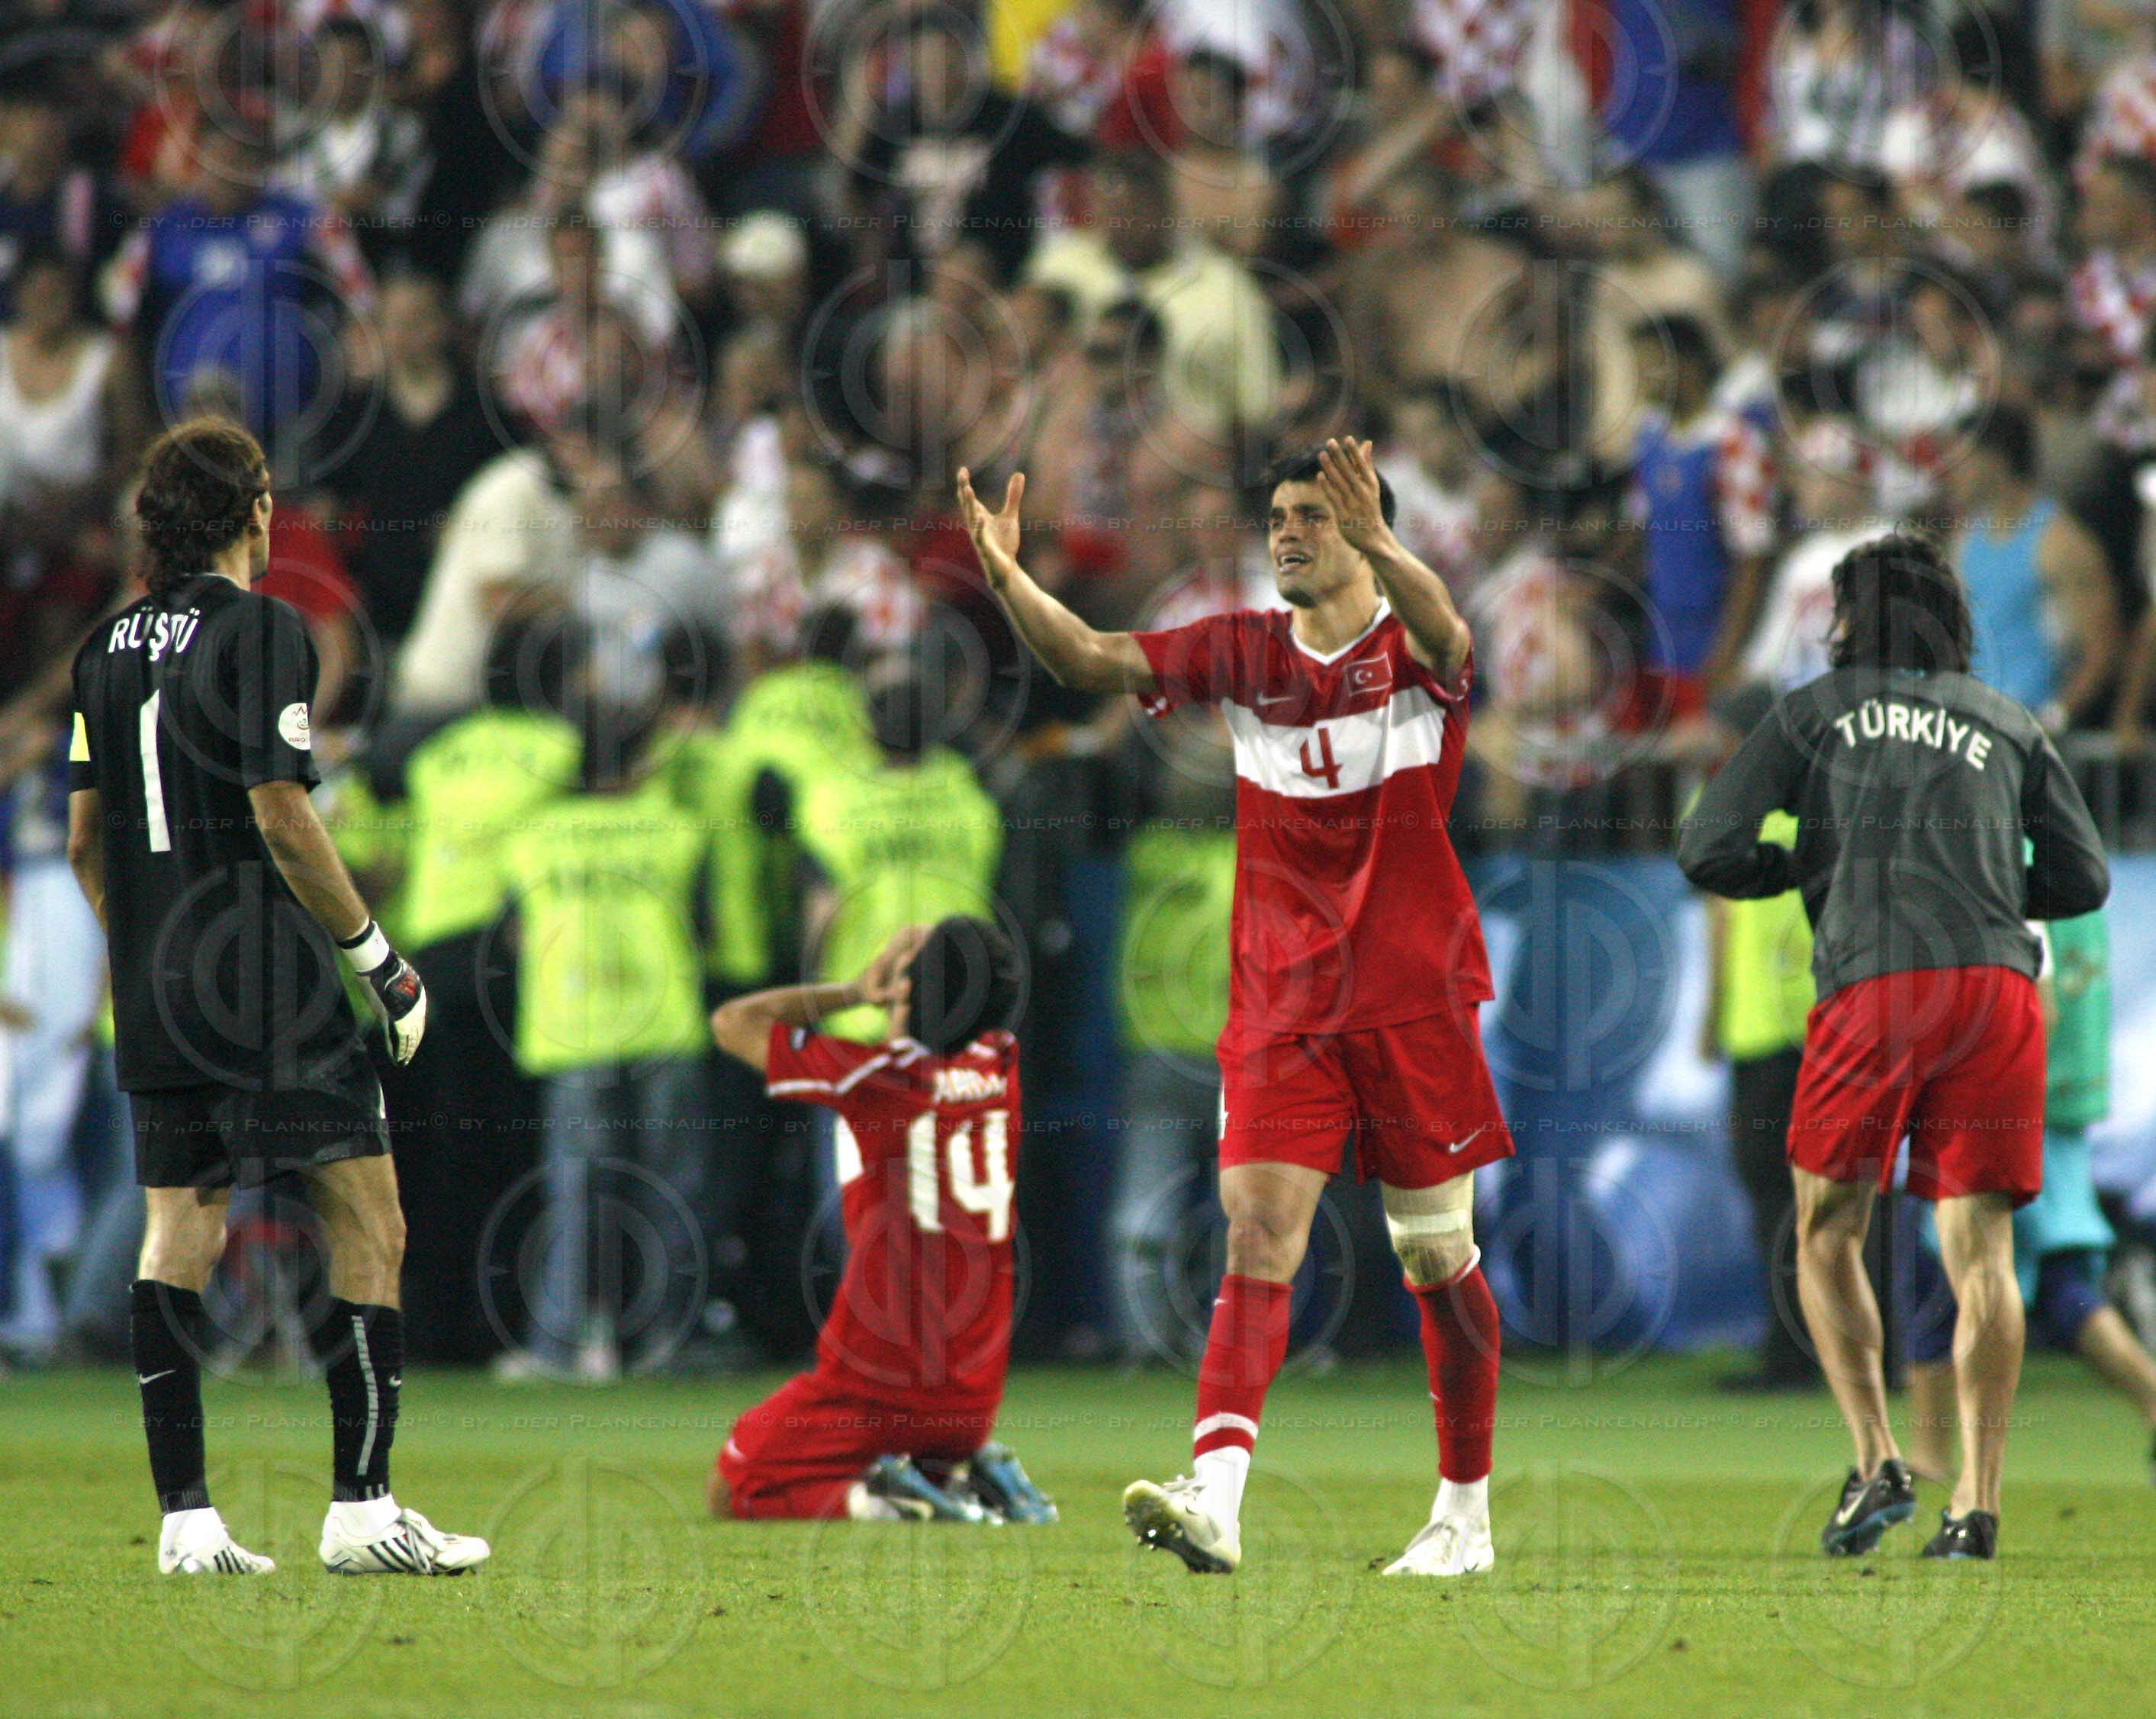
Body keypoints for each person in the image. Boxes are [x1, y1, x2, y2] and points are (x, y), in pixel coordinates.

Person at [957, 438, 1512, 1577]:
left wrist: (1383, 541)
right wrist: (1008, 579)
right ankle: (1214, 1493)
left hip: (1411, 1000)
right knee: (1256, 1233)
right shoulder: (1242, 652)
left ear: (1363, 528)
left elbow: (1451, 628)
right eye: (1278, 516)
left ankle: (1463, 1515)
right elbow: (1090, 657)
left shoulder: (1412, 653)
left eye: (1313, 513)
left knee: (1433, 1259)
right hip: (1280, 1005)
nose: (1287, 532)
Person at [64, 417, 485, 1577]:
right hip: (265, 974)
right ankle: (362, 1508)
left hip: (159, 986)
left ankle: (188, 1521)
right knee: (368, 1216)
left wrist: (147, 952)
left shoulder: (102, 651)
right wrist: (378, 961)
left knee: (176, 1230)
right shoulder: (263, 629)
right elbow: (282, 810)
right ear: (255, 513)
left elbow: (85, 843)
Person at [1678, 532, 2111, 1562]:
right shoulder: (2007, 722)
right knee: (1982, 1253)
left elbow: (1707, 845)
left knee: (1824, 1224)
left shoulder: (1815, 713)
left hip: (1875, 981)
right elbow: (2084, 880)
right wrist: (1994, 893)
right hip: (1997, 990)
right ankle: (1977, 1501)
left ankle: (1876, 1460)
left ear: (1844, 618)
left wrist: (1798, 863)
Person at [706, 918, 1056, 1524]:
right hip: (973, 1396)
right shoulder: (1003, 1065)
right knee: (901, 1457)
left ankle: (879, 1501)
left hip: (876, 1380)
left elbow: (731, 1022)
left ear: (904, 993)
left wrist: (852, 991)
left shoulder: (871, 1078)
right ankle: (969, 1483)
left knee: (736, 1485)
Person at [1905, 909, 2156, 1486]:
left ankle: (1935, 1456)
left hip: (2011, 1105)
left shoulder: (2001, 860)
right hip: (2056, 1100)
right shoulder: (2064, 866)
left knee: (1947, 1270)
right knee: (2048, 1278)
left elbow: (2036, 1001)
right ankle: (1933, 1453)